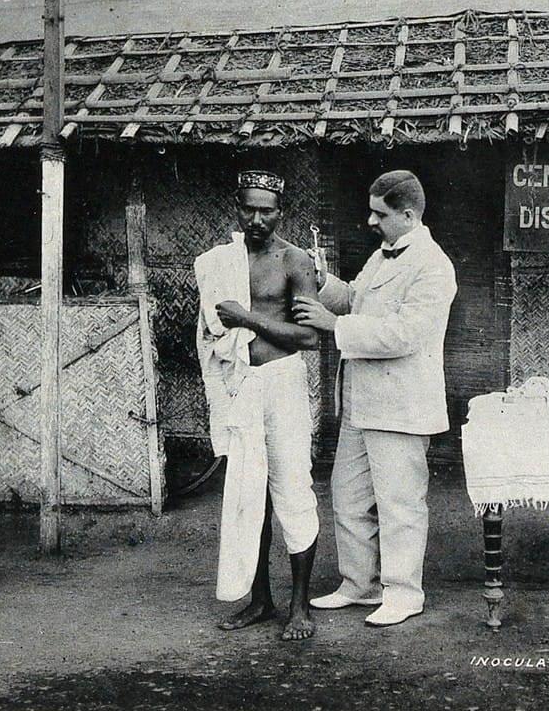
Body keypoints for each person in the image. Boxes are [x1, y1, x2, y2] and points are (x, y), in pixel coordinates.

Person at [293, 169, 457, 627]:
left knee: (400, 504)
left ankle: (404, 592)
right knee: (346, 497)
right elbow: (354, 298)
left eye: (379, 213)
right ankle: (359, 584)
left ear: (407, 215)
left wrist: (332, 326)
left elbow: (403, 335)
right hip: (362, 403)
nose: (369, 221)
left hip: (402, 408)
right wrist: (322, 281)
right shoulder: (383, 256)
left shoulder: (432, 265)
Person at [194, 169, 321, 640]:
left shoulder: (295, 261)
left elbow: (309, 335)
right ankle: (260, 600)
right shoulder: (222, 262)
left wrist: (246, 316)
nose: (257, 218)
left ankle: (299, 607)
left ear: (280, 212)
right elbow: (210, 328)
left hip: (283, 383)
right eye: (248, 208)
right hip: (242, 384)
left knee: (292, 490)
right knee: (250, 497)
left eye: (266, 210)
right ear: (237, 206)